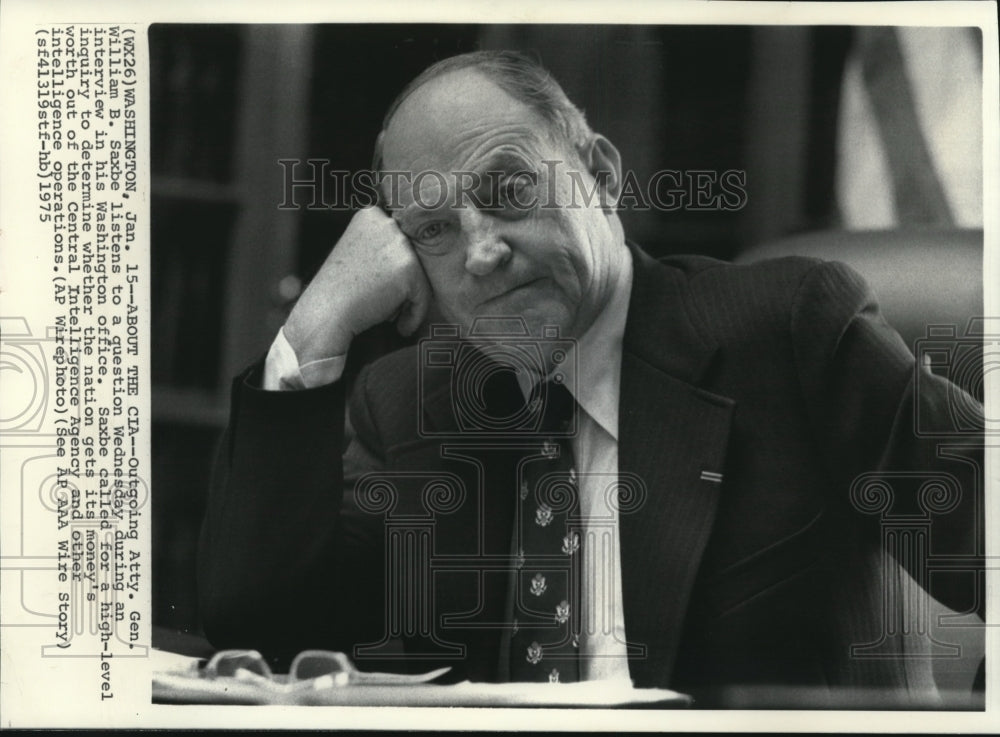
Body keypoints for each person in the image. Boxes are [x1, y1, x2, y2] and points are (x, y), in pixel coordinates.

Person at [198, 50, 983, 706]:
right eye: (434, 229)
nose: (480, 251)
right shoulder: (411, 403)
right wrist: (314, 329)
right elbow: (268, 631)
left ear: (600, 173)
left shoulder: (788, 330)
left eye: (507, 191)